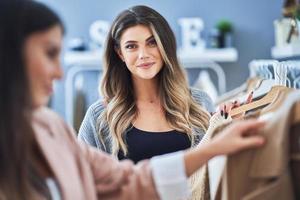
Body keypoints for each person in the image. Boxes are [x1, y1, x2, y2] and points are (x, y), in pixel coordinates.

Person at [0, 0, 266, 199]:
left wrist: (219, 136)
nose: (59, 71)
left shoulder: (53, 129)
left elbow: (131, 179)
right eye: (49, 53)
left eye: (152, 43)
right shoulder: (98, 117)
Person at [78, 5, 216, 163]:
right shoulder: (99, 117)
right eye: (131, 46)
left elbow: (216, 170)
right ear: (120, 53)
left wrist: (228, 126)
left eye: (152, 43)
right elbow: (79, 178)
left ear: (165, 45)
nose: (143, 55)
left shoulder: (200, 103)